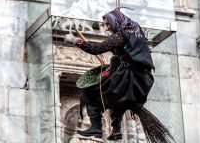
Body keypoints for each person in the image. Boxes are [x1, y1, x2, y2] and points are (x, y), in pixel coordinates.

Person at [64, 9, 174, 142]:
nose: (106, 28)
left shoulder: (120, 36)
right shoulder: (136, 30)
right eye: (104, 24)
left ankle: (96, 128)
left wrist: (75, 40)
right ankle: (116, 131)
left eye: (108, 24)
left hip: (126, 78)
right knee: (116, 101)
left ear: (116, 21)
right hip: (138, 81)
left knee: (89, 92)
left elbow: (96, 49)